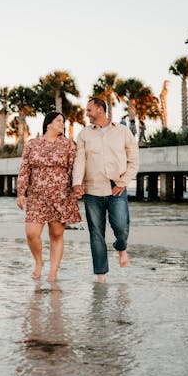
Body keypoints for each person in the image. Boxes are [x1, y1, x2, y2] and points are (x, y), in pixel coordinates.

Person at [72, 98, 139, 283]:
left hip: (116, 187)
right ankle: (100, 275)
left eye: (89, 110)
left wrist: (124, 182)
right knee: (96, 233)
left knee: (121, 228)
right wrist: (77, 182)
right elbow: (80, 160)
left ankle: (121, 247)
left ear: (100, 110)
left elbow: (134, 160)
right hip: (92, 190)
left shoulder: (122, 131)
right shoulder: (84, 134)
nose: (86, 113)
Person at [17, 112, 81, 282]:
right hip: (37, 196)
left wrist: (77, 188)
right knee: (31, 233)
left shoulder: (69, 145)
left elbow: (76, 168)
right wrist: (21, 192)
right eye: (59, 121)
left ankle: (53, 272)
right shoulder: (32, 144)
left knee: (56, 234)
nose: (62, 124)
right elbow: (24, 169)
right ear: (48, 124)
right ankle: (39, 262)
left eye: (63, 121)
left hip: (60, 195)